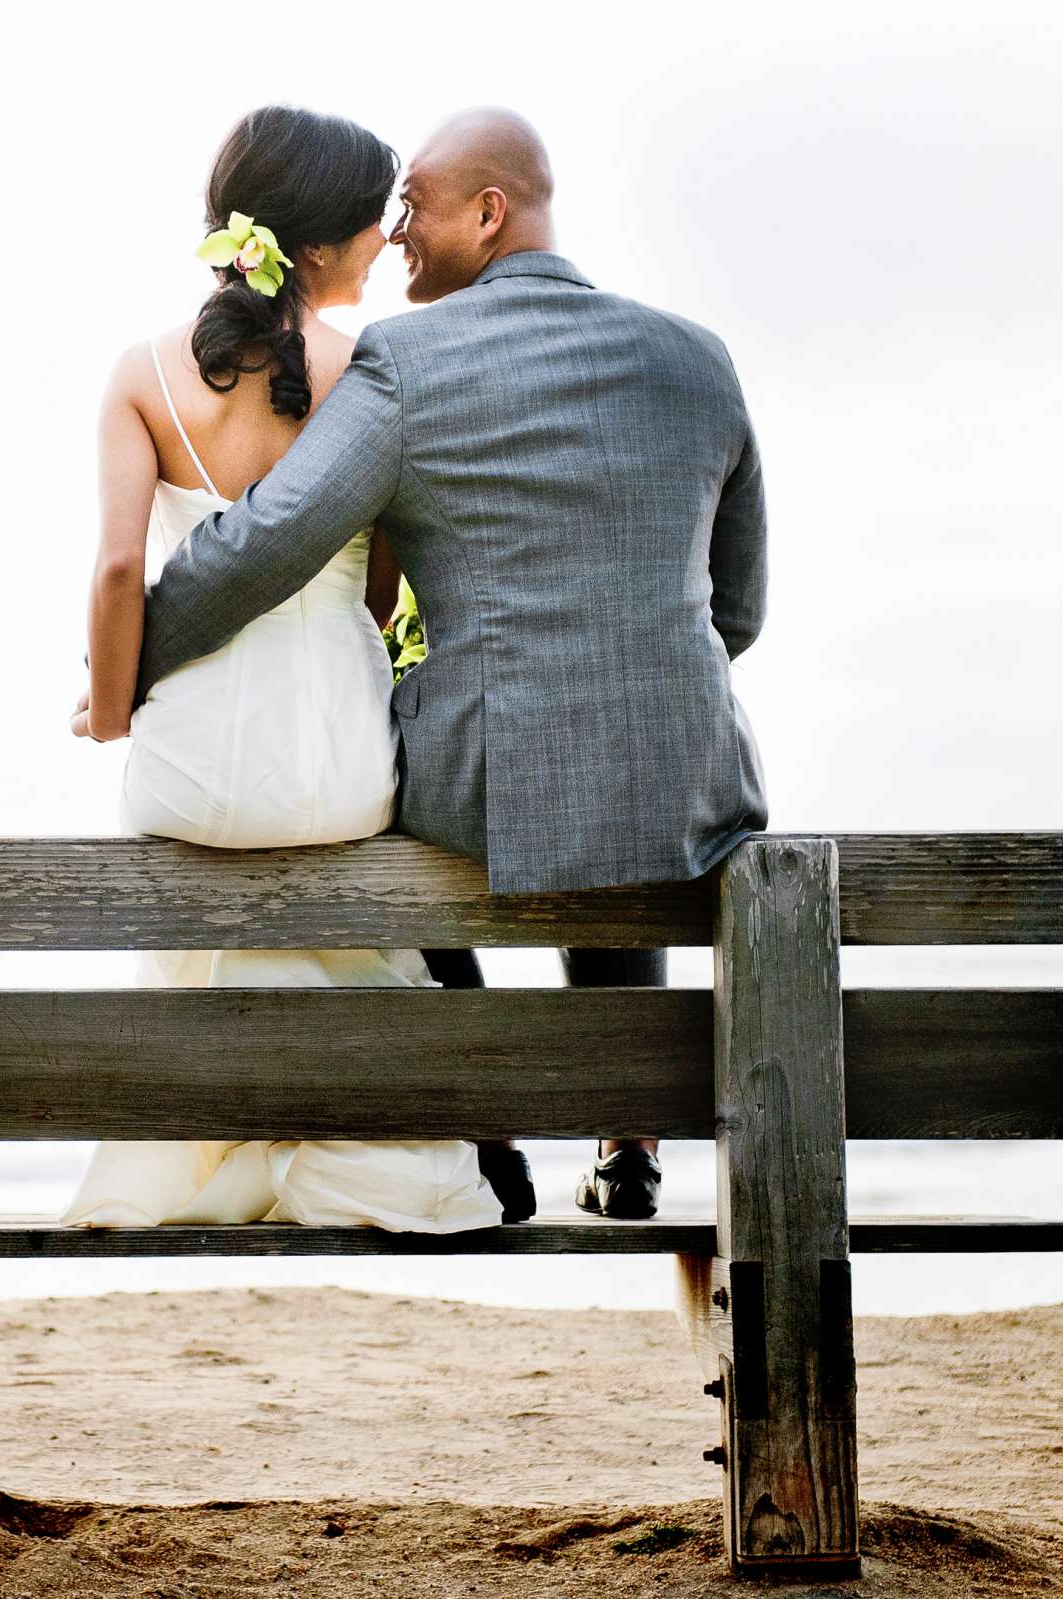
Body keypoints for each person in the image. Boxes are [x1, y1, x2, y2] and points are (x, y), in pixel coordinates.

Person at [129, 108, 770, 1223]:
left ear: (489, 212)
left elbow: (263, 548)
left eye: (414, 206)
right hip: (689, 782)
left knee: (388, 773)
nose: (398, 229)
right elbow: (739, 609)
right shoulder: (696, 358)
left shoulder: (406, 365)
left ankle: (486, 1127)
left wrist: (127, 661)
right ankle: (629, 1138)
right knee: (608, 763)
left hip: (484, 783)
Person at [61, 105, 503, 1233]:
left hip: (189, 781)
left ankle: (218, 1128)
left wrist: (114, 717)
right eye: (373, 220)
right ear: (317, 247)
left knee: (211, 895)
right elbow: (376, 592)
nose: (387, 240)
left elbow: (120, 572)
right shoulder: (378, 375)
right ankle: (344, 1134)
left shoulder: (139, 375)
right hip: (344, 773)